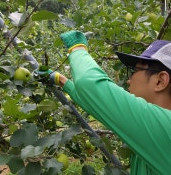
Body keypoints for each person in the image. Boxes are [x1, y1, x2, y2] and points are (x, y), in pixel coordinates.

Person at [47, 30, 171, 175]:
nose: (129, 79)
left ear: (160, 81)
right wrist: (63, 82)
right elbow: (97, 102)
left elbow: (89, 84)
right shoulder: (153, 133)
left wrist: (77, 48)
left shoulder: (165, 127)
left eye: (134, 70)